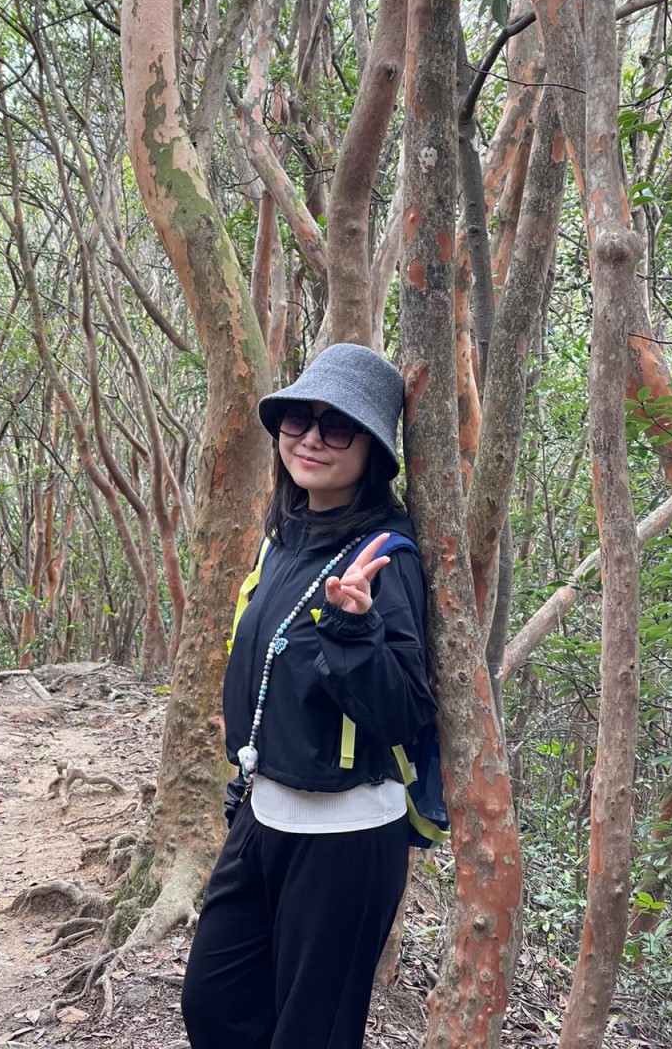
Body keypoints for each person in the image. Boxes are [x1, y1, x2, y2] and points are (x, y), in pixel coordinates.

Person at [181, 343, 438, 1049]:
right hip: (262, 812)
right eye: (300, 420)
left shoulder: (384, 557)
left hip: (346, 837)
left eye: (339, 427)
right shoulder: (283, 541)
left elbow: (401, 712)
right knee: (214, 1004)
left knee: (311, 1034)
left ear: (374, 451)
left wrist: (354, 630)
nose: (312, 440)